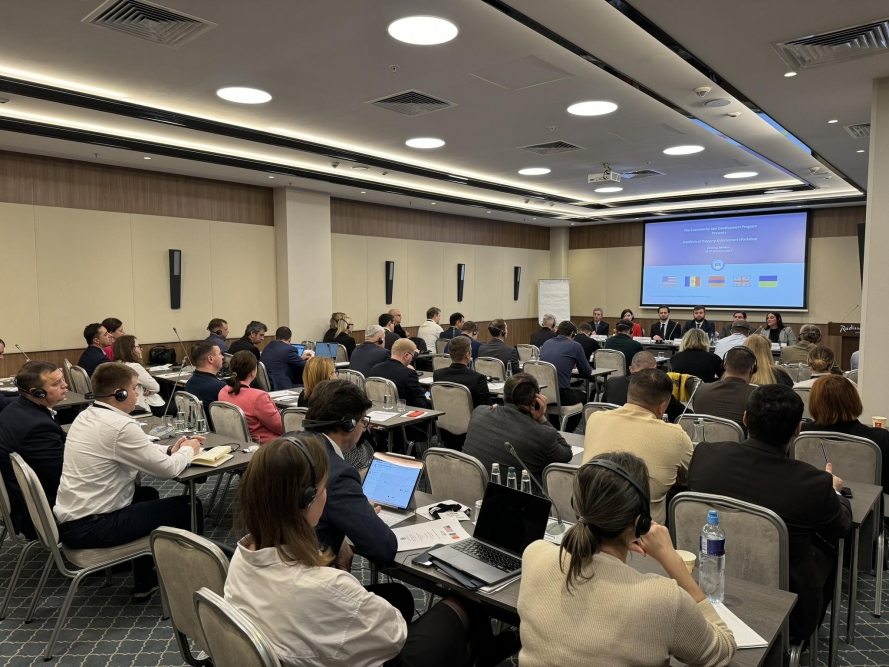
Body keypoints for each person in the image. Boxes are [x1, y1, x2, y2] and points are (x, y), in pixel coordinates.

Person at [224, 434, 516, 667]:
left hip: (291, 642)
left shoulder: (242, 554)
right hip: (377, 652)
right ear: (307, 499)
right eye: (325, 487)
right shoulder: (330, 586)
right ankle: (481, 653)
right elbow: (394, 636)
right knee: (464, 602)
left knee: (399, 596)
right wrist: (341, 575)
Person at [518, 452, 735, 667]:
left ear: (577, 504)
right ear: (641, 523)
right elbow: (722, 651)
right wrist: (672, 561)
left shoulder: (534, 555)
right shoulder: (664, 600)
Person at [688, 384, 852, 643]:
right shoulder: (813, 483)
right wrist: (836, 492)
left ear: (745, 419)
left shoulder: (704, 455)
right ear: (797, 430)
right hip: (785, 603)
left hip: (704, 586)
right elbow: (842, 527)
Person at [54, 363, 203, 601]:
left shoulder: (87, 415)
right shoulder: (121, 426)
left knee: (147, 495)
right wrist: (188, 450)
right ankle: (192, 581)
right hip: (95, 527)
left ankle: (145, 581)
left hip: (72, 521)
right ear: (120, 394)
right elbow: (167, 470)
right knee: (189, 506)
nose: (138, 393)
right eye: (135, 388)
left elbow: (133, 451)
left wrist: (168, 449)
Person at [303, 380, 395, 563]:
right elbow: (384, 548)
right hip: (310, 570)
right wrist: (363, 515)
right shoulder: (339, 474)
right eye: (363, 421)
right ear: (349, 424)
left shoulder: (284, 444)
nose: (364, 428)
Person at [583, 369, 693, 524]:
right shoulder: (677, 436)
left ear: (629, 395)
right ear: (662, 407)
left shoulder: (595, 418)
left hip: (592, 521)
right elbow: (688, 478)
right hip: (643, 532)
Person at [463, 373, 571, 487]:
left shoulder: (478, 412)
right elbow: (567, 453)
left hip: (469, 488)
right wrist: (541, 419)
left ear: (504, 397)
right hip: (513, 496)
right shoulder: (543, 434)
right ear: (535, 400)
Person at [0, 361, 68, 540]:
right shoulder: (37, 427)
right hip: (43, 514)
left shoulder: (17, 409)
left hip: (23, 503)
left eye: (62, 379)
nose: (65, 385)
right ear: (37, 393)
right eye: (56, 383)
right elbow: (62, 478)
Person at [802, 375, 889, 494]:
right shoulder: (880, 439)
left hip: (812, 500)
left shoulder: (801, 434)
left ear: (814, 403)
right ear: (854, 401)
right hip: (867, 503)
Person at [218, 351, 284, 444]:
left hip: (235, 442)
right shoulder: (259, 397)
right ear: (253, 373)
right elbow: (281, 428)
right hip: (268, 445)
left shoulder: (223, 392)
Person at [603, 352, 684, 424]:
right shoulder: (658, 386)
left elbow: (602, 407)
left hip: (612, 427)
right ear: (654, 368)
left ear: (631, 369)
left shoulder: (612, 382)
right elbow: (684, 416)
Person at [539, 321, 591, 432]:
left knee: (556, 391)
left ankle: (555, 429)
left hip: (544, 393)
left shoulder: (547, 343)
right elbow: (587, 372)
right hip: (562, 395)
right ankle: (569, 431)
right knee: (585, 397)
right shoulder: (575, 346)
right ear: (573, 334)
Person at [691, 346, 758, 431]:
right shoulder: (758, 396)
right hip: (740, 440)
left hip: (704, 439)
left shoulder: (700, 390)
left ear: (724, 365)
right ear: (752, 368)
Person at [369, 338, 431, 409]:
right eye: (412, 356)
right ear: (406, 355)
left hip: (378, 410)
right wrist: (429, 401)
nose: (411, 359)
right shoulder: (409, 374)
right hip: (403, 412)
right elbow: (422, 404)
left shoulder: (375, 369)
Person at [433, 336, 492, 409]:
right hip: (471, 416)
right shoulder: (478, 378)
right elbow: (485, 408)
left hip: (443, 415)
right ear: (467, 355)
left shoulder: (438, 375)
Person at [113, 335, 164, 416]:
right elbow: (156, 387)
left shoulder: (116, 364)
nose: (141, 349)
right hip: (140, 407)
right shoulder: (134, 366)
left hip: (123, 406)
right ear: (130, 350)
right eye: (138, 346)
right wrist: (147, 388)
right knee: (179, 405)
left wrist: (145, 387)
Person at [261, 326, 313, 390]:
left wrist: (300, 358)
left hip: (271, 384)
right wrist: (312, 361)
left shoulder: (268, 347)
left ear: (275, 337)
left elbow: (281, 359)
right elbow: (306, 366)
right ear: (290, 339)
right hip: (281, 386)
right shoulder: (289, 349)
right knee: (312, 386)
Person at [184, 341, 226, 419]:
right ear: (210, 359)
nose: (222, 357)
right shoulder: (220, 387)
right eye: (219, 354)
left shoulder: (189, 383)